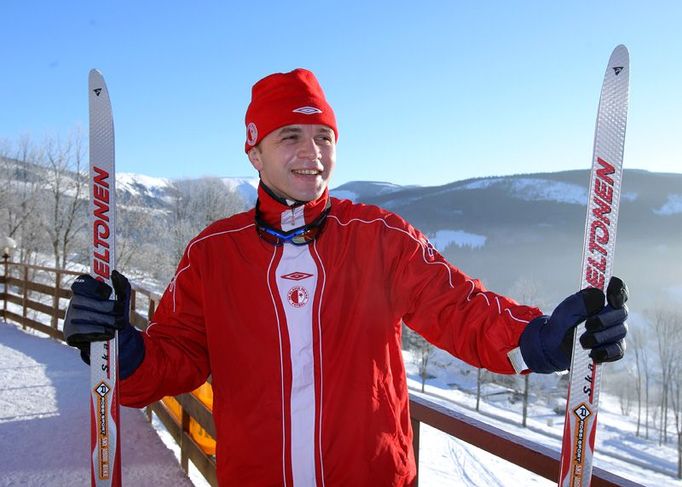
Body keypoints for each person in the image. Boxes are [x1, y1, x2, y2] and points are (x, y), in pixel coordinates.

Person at [64, 68, 628, 487]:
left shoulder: (379, 237)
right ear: (253, 153)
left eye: (324, 138)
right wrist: (124, 352)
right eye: (290, 137)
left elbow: (462, 310)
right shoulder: (214, 254)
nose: (312, 153)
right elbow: (178, 356)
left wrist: (543, 339)